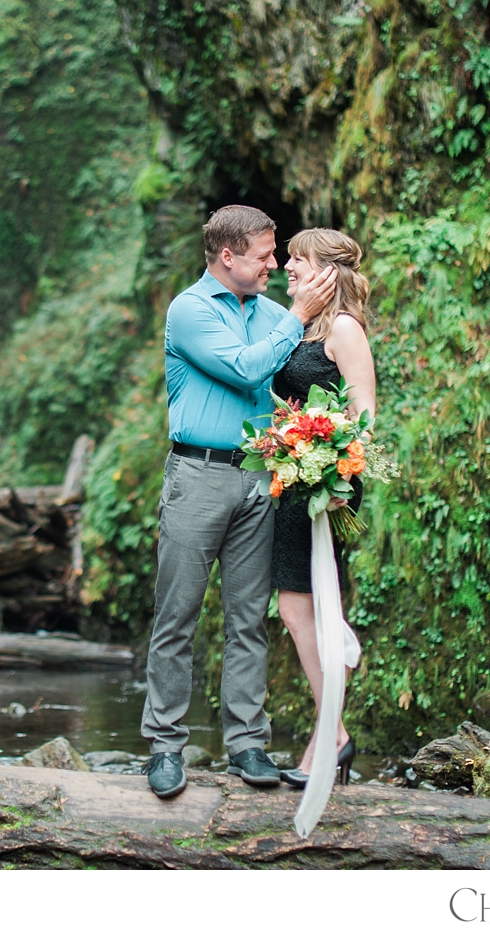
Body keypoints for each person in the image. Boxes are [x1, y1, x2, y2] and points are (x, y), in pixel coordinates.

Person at [141, 205, 336, 799]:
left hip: (259, 478)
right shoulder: (190, 311)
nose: (275, 264)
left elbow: (307, 364)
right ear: (228, 256)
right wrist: (298, 317)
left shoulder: (276, 314)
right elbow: (246, 367)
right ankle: (165, 746)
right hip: (196, 477)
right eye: (265, 255)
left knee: (249, 618)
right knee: (178, 616)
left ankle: (248, 743)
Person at [268, 228, 375, 797]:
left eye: (298, 260)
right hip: (292, 474)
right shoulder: (302, 325)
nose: (288, 266)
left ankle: (330, 737)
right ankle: (328, 731)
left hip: (327, 483)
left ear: (327, 270)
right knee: (297, 604)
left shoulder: (344, 328)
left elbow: (365, 414)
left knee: (295, 604)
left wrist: (337, 472)